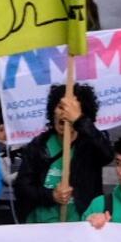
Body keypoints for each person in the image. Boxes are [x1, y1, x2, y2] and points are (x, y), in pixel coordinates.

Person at [15, 83, 114, 223]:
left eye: (72, 109)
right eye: (61, 107)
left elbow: (107, 155)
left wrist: (79, 121)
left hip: (80, 224)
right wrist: (51, 196)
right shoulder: (39, 145)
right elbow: (22, 187)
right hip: (42, 225)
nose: (64, 113)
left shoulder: (91, 144)